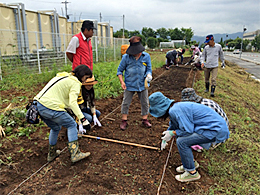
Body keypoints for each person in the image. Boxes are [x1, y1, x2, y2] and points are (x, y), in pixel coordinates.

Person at [149, 92, 229, 182]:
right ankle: (191, 163)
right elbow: (174, 124)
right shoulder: (175, 107)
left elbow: (187, 130)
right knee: (181, 138)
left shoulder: (174, 110)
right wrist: (167, 134)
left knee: (182, 142)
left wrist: (172, 133)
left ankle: (192, 173)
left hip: (214, 130)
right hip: (213, 128)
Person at [34, 65, 93, 163]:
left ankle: (51, 154)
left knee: (55, 128)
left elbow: (64, 98)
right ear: (82, 75)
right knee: (71, 124)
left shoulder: (63, 76)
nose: (85, 81)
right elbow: (73, 103)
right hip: (51, 107)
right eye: (86, 78)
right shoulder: (75, 83)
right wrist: (83, 119)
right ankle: (75, 154)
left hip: (39, 106)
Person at [117, 36, 152, 130]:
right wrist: (122, 82)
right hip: (129, 84)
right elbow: (119, 71)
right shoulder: (126, 57)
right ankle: (124, 120)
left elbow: (149, 69)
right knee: (126, 103)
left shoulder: (146, 56)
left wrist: (149, 75)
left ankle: (145, 119)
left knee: (145, 102)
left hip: (142, 84)